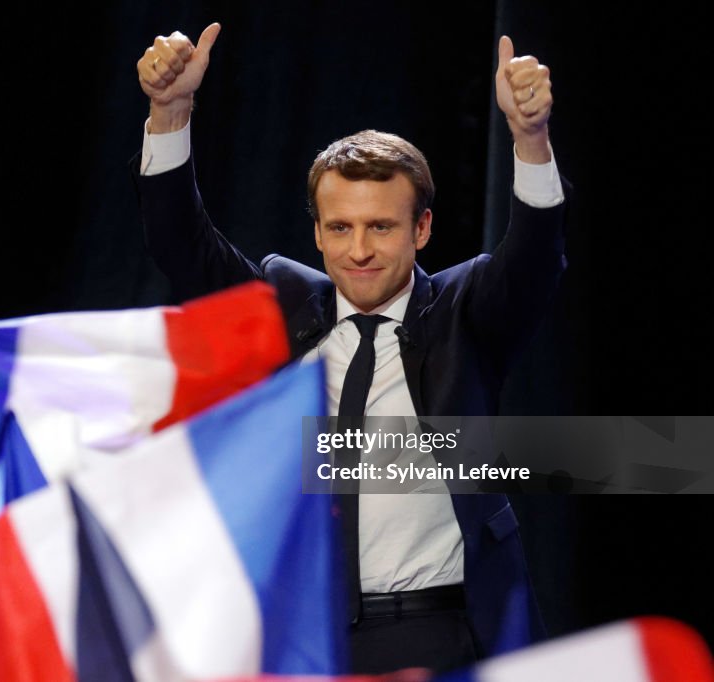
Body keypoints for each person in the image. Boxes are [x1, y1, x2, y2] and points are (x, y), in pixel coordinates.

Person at [130, 22, 568, 675]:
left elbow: (533, 261)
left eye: (381, 227)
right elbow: (181, 245)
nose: (358, 250)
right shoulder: (279, 303)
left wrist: (530, 140)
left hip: (441, 634)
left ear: (421, 228)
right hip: (301, 638)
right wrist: (170, 111)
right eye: (341, 227)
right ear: (318, 233)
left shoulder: (463, 310)